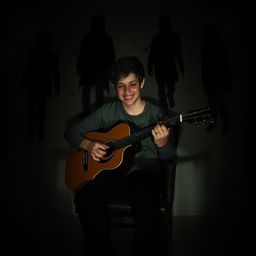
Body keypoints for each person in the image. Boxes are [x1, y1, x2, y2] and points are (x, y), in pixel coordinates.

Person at [64, 56, 176, 256]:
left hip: (144, 174)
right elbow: (71, 132)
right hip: (112, 176)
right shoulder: (108, 111)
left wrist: (163, 144)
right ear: (114, 87)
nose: (127, 92)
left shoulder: (158, 116)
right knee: (86, 197)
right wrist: (88, 144)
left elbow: (168, 159)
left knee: (144, 196)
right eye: (121, 86)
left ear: (142, 83)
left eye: (132, 84)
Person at [21, 29, 60, 139]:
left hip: (38, 84)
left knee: (36, 108)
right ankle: (37, 130)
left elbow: (28, 69)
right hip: (39, 84)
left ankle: (36, 129)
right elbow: (55, 72)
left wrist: (24, 81)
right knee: (38, 109)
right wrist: (57, 86)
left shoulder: (37, 54)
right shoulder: (49, 55)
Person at [77, 14, 115, 117]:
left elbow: (111, 56)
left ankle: (92, 115)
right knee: (95, 92)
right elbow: (82, 53)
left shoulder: (90, 38)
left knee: (95, 93)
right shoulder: (103, 38)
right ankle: (91, 114)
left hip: (96, 71)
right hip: (95, 70)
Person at [148, 14, 184, 110]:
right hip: (160, 67)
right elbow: (152, 53)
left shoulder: (174, 37)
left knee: (170, 87)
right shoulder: (157, 38)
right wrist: (149, 65)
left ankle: (169, 96)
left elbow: (178, 53)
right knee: (161, 88)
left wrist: (181, 66)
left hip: (169, 66)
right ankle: (165, 106)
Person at [201, 24, 230, 133]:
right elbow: (204, 66)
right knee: (214, 104)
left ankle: (223, 123)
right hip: (213, 80)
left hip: (217, 80)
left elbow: (225, 64)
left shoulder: (216, 47)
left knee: (218, 103)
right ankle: (217, 123)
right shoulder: (210, 47)